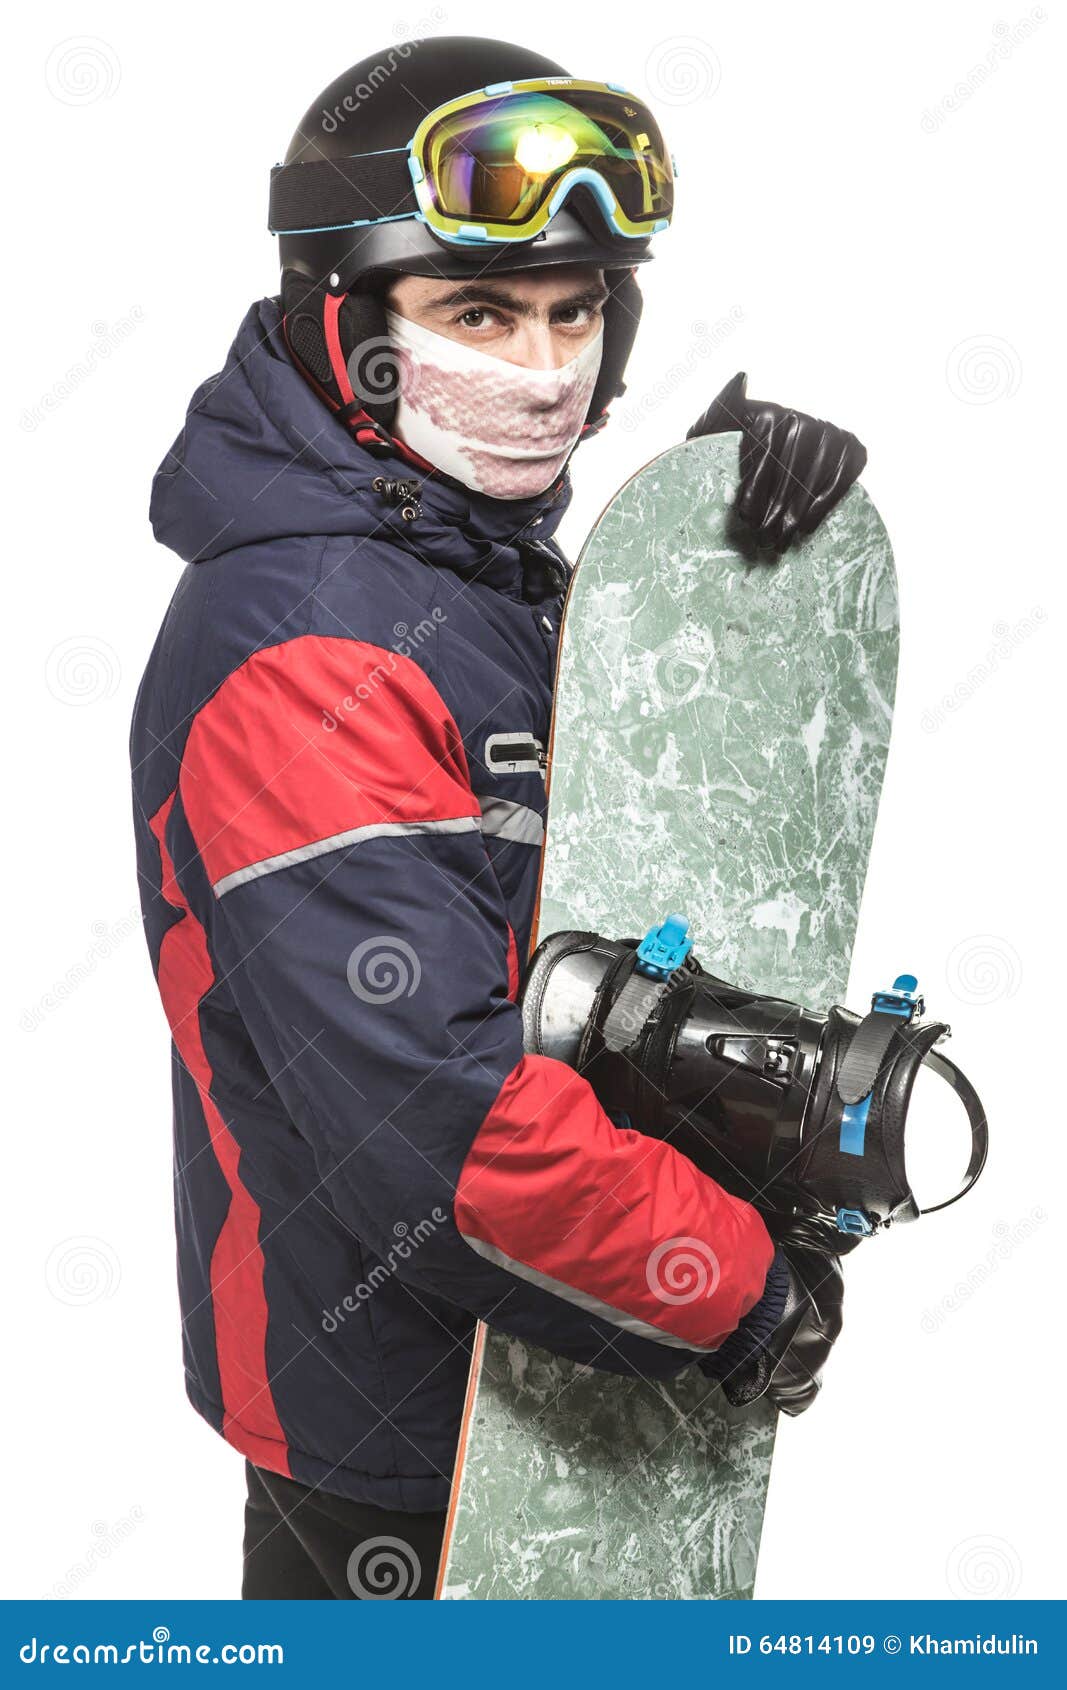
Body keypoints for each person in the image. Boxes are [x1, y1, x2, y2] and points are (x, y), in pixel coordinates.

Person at [131, 37, 861, 1601]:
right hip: (396, 1451)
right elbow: (432, 1127)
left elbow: (579, 919)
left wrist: (704, 569)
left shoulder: (465, 574)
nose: (544, 368)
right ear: (352, 326)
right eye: (476, 311)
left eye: (575, 310)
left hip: (558, 1388)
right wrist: (731, 1283)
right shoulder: (297, 650)